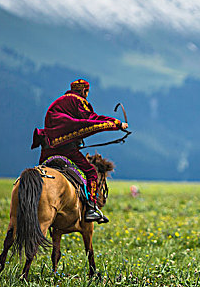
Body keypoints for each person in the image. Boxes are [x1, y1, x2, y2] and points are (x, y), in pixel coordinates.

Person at [31, 79, 128, 223]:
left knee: (41, 171)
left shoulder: (58, 102)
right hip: (66, 149)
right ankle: (91, 208)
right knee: (91, 172)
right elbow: (92, 120)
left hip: (47, 149)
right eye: (87, 92)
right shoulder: (79, 102)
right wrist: (117, 124)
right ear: (84, 91)